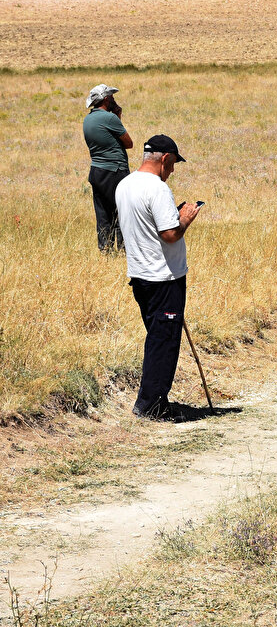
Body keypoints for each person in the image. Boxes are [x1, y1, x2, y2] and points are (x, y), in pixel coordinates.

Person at [115, 135, 200, 421]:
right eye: (173, 163)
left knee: (156, 337)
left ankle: (155, 401)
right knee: (163, 342)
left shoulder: (124, 184)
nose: (173, 170)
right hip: (164, 277)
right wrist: (186, 217)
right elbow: (170, 234)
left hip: (140, 275)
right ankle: (150, 405)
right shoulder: (158, 189)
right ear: (165, 158)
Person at [83, 84, 133, 253]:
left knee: (103, 213)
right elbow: (129, 143)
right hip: (115, 171)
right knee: (122, 211)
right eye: (111, 97)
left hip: (96, 171)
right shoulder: (109, 118)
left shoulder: (88, 119)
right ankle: (124, 249)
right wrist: (118, 117)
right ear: (106, 99)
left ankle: (105, 249)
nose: (113, 99)